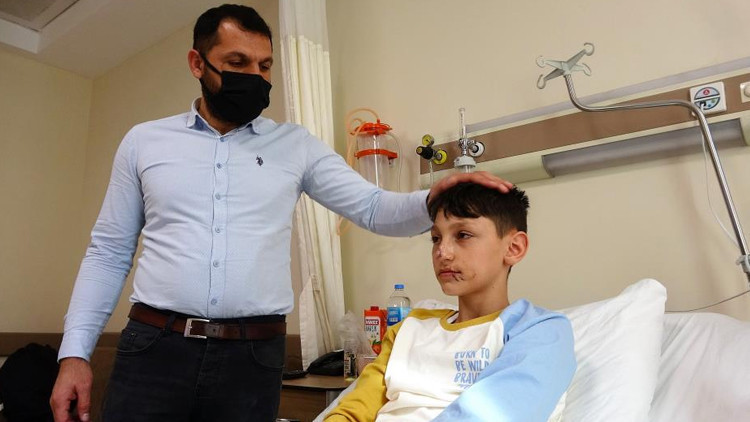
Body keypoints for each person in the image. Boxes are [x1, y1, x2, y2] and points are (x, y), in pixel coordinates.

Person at [48, 4, 514, 422]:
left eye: (265, 65)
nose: (255, 76)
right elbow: (108, 253)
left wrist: (434, 197)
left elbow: (373, 208)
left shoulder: (295, 146)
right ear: (197, 63)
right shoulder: (144, 142)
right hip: (155, 349)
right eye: (237, 63)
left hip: (251, 359)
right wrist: (74, 355)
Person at [324, 182, 576, 422]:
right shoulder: (409, 328)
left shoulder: (539, 330)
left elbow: (496, 413)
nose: (442, 252)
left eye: (463, 235)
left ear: (513, 248)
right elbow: (354, 408)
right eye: (436, 238)